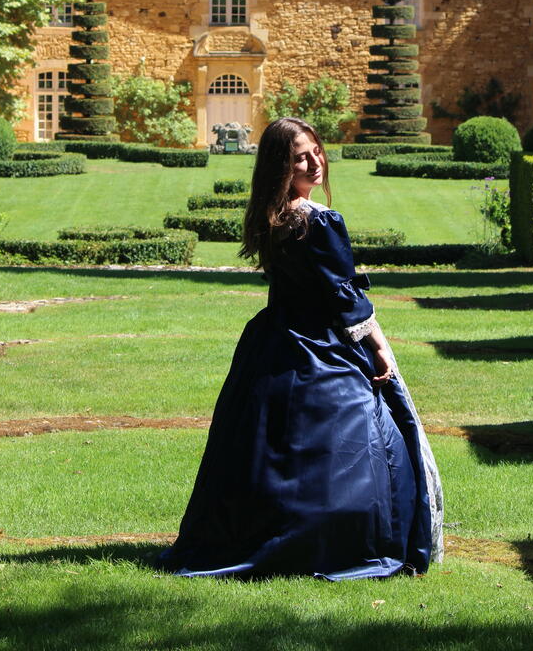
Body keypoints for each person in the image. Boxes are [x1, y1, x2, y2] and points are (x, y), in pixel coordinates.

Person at [156, 117, 443, 580]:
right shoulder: (318, 220)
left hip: (273, 344)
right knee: (361, 443)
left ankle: (269, 536)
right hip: (319, 346)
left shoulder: (271, 217)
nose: (314, 163)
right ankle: (340, 544)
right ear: (280, 167)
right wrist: (379, 346)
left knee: (271, 448)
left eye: (316, 152)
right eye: (299, 158)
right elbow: (343, 296)